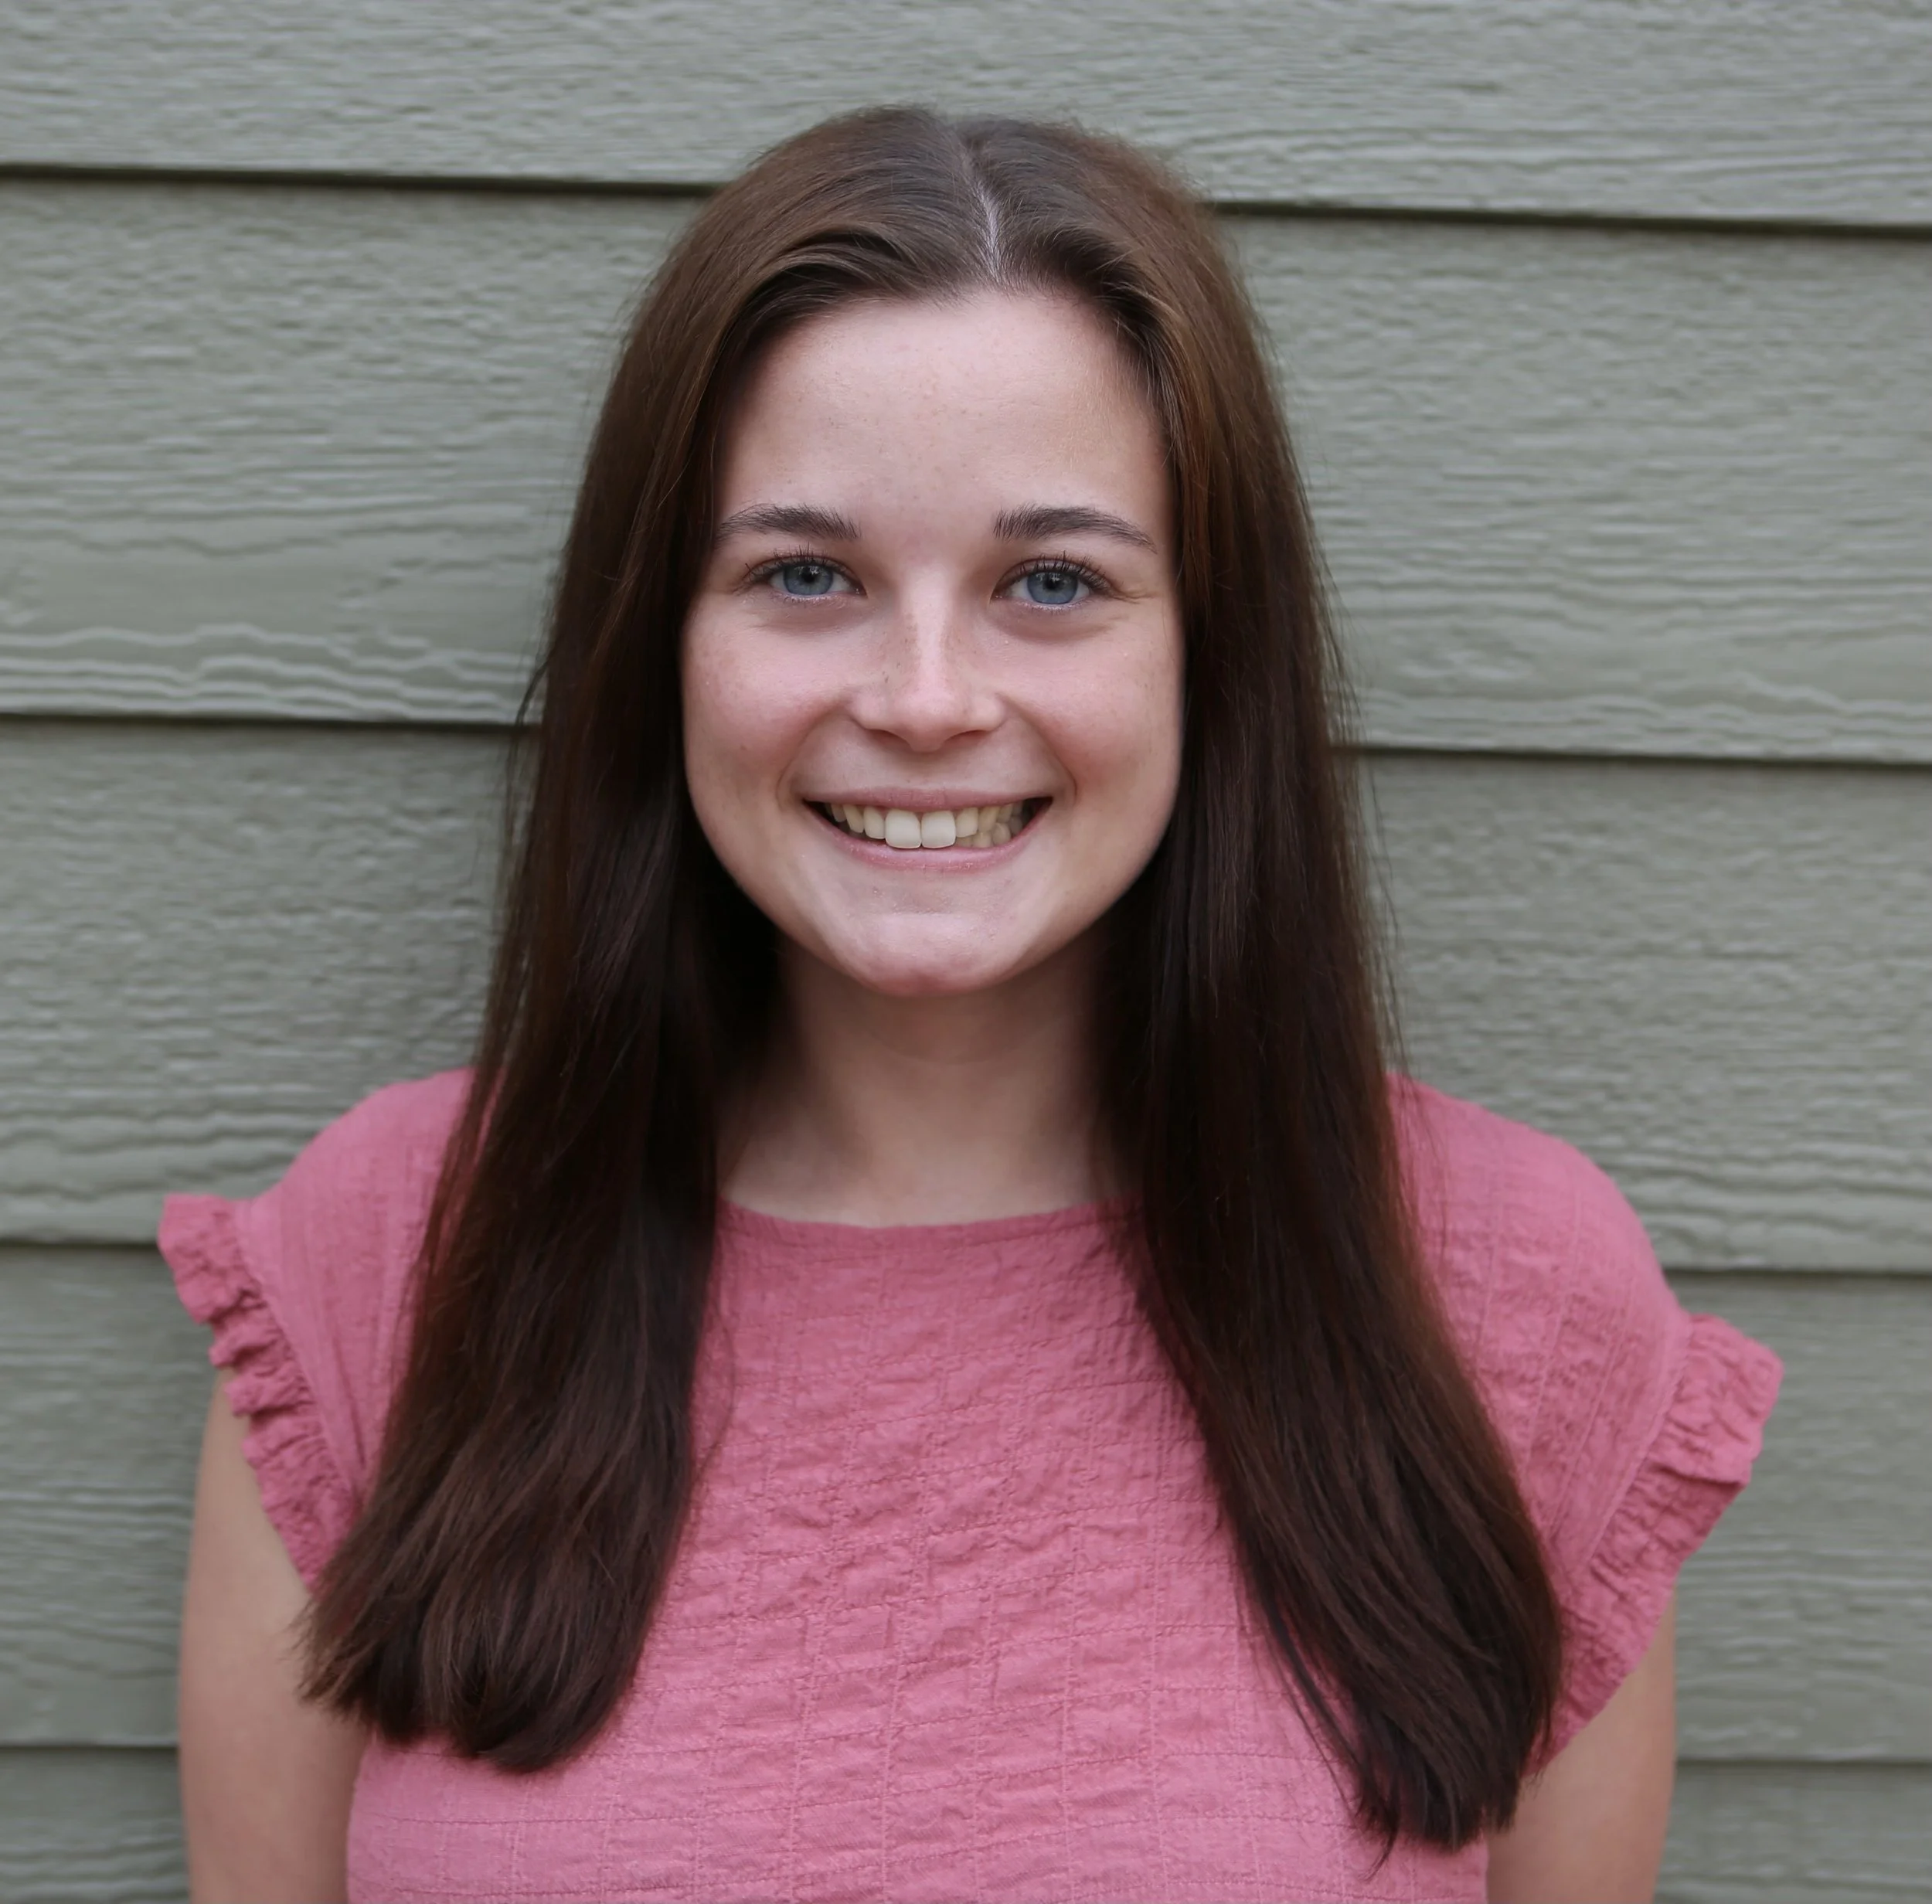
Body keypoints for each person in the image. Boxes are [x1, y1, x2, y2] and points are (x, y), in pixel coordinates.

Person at [162, 108, 1781, 1903]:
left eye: (1051, 582)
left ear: (1206, 654)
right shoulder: (391, 1255)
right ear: (660, 643)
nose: (925, 699)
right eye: (804, 574)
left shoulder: (1508, 1289)